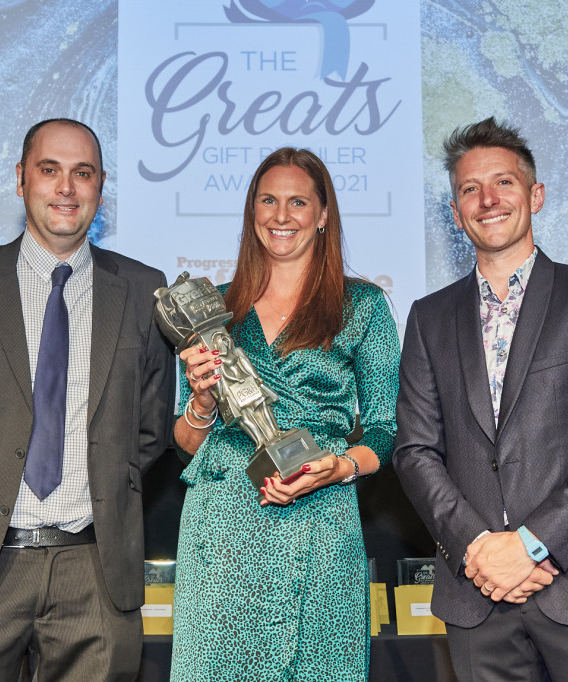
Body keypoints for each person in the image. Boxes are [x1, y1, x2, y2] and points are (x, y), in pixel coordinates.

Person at [0, 118, 175, 681]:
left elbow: (148, 432)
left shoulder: (145, 290)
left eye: (83, 173)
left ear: (101, 188)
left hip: (93, 569)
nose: (66, 188)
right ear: (21, 179)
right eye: (50, 170)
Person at [393, 117, 568, 681]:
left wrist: (534, 545)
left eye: (503, 183)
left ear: (534, 194)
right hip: (475, 591)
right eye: (469, 189)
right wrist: (480, 549)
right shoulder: (428, 317)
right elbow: (414, 450)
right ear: (456, 209)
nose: (488, 200)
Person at [169, 148, 399, 681]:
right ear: (252, 213)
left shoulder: (362, 305)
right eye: (268, 200)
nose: (281, 215)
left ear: (323, 214)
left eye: (298, 202)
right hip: (224, 528)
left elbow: (386, 428)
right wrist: (202, 402)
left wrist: (339, 467)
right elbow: (186, 441)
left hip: (320, 520)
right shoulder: (215, 309)